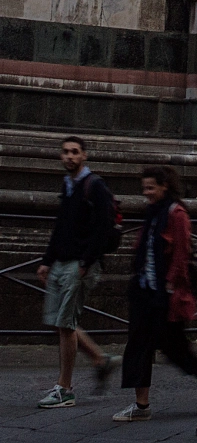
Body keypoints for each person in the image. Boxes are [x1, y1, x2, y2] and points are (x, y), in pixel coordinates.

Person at [113, 164, 197, 423]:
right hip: (145, 291)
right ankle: (141, 405)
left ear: (164, 186)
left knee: (174, 348)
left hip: (165, 294)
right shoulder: (153, 212)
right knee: (138, 346)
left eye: (151, 187)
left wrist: (170, 288)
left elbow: (180, 255)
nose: (146, 192)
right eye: (144, 188)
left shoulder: (176, 214)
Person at [37, 135, 118, 408]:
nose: (69, 156)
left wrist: (86, 261)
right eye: (65, 152)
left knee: (66, 324)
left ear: (84, 155)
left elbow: (104, 227)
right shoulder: (69, 184)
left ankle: (65, 388)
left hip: (78, 265)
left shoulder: (94, 186)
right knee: (61, 322)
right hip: (62, 261)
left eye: (74, 152)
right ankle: (100, 360)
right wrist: (47, 259)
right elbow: (61, 224)